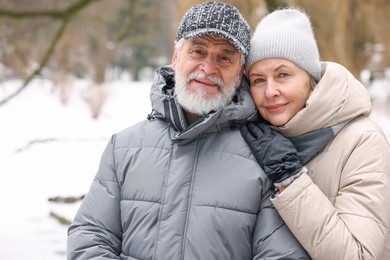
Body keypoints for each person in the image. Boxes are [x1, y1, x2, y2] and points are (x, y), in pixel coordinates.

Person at [67, 2, 310, 259]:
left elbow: (283, 255)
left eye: (224, 57)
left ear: (240, 74)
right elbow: (90, 237)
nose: (208, 68)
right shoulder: (123, 148)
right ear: (176, 56)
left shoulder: (266, 157)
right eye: (198, 51)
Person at [241, 8, 390, 260]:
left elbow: (358, 255)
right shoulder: (257, 140)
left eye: (283, 75)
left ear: (310, 78)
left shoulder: (363, 140)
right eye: (258, 80)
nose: (270, 91)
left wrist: (290, 178)